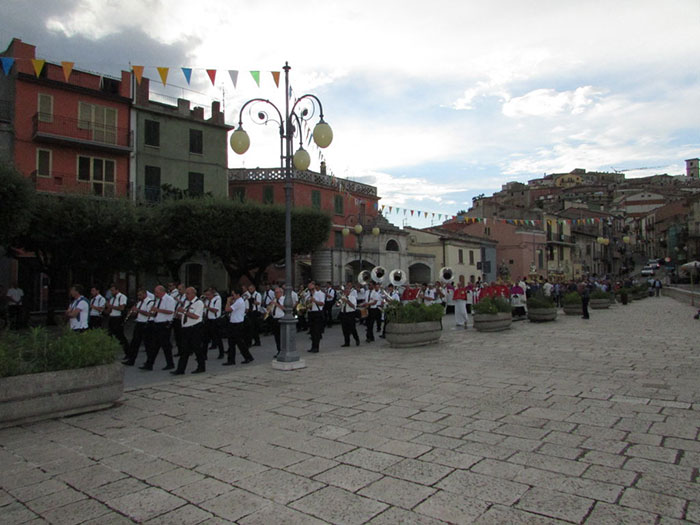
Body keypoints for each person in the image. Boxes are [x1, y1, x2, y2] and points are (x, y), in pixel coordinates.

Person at [140, 285, 176, 371]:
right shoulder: (157, 300)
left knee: (165, 345)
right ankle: (149, 364)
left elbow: (170, 311)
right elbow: (156, 311)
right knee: (154, 345)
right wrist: (152, 313)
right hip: (156, 323)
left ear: (162, 291)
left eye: (157, 292)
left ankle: (170, 363)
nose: (155, 294)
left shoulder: (169, 299)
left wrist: (157, 310)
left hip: (164, 324)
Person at [172, 287, 206, 375]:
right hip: (185, 328)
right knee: (184, 350)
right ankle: (180, 369)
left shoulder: (198, 303)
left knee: (197, 348)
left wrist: (184, 312)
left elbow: (196, 316)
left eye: (188, 293)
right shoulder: (186, 302)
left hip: (195, 328)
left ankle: (201, 366)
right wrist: (180, 315)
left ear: (193, 294)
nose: (186, 295)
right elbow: (185, 314)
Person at [224, 288, 254, 365]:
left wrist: (228, 301)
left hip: (237, 324)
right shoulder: (237, 301)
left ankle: (248, 357)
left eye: (233, 294)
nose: (232, 296)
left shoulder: (239, 302)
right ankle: (231, 360)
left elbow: (227, 309)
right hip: (233, 323)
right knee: (231, 343)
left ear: (238, 294)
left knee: (240, 343)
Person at [124, 289, 154, 366]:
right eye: (138, 295)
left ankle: (149, 362)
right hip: (139, 322)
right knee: (135, 343)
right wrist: (133, 312)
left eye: (140, 295)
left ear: (145, 294)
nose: (139, 297)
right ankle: (131, 359)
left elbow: (149, 314)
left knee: (147, 344)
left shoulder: (150, 302)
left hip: (146, 324)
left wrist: (138, 310)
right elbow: (136, 313)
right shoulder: (139, 302)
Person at [106, 283, 129, 357]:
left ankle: (128, 352)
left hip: (118, 318)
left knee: (120, 336)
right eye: (111, 291)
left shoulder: (122, 297)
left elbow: (121, 308)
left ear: (117, 290)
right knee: (110, 335)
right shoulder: (112, 298)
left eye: (113, 291)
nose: (112, 292)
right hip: (112, 317)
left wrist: (111, 306)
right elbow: (109, 310)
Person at [202, 287, 225, 359]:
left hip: (215, 320)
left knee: (217, 337)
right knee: (205, 339)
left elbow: (215, 310)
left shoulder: (217, 299)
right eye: (206, 295)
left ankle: (221, 353)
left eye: (208, 295)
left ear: (212, 294)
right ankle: (204, 355)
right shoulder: (206, 300)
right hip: (207, 320)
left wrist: (207, 307)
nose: (207, 296)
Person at [338, 282, 360, 347]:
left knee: (353, 328)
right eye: (345, 291)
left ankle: (357, 339)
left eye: (347, 291)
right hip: (343, 314)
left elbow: (353, 306)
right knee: (344, 329)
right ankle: (347, 342)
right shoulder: (342, 297)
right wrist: (339, 302)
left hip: (350, 314)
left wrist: (347, 301)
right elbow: (338, 304)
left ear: (349, 291)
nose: (345, 292)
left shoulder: (352, 297)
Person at [306, 281, 325, 353]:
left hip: (318, 313)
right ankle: (312, 346)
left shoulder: (320, 294)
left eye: (311, 289)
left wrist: (314, 301)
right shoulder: (307, 295)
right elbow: (306, 304)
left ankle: (316, 347)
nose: (310, 290)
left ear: (314, 287)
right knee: (312, 331)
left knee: (317, 331)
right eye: (309, 289)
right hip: (310, 313)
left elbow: (322, 304)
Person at [269, 287, 286, 358]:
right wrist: (269, 310)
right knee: (276, 336)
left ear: (281, 293)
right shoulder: (274, 300)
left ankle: (283, 351)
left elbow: (285, 308)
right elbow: (272, 309)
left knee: (282, 336)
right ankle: (279, 350)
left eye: (277, 292)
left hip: (281, 319)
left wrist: (277, 304)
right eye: (275, 292)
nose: (275, 294)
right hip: (275, 319)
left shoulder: (284, 299)